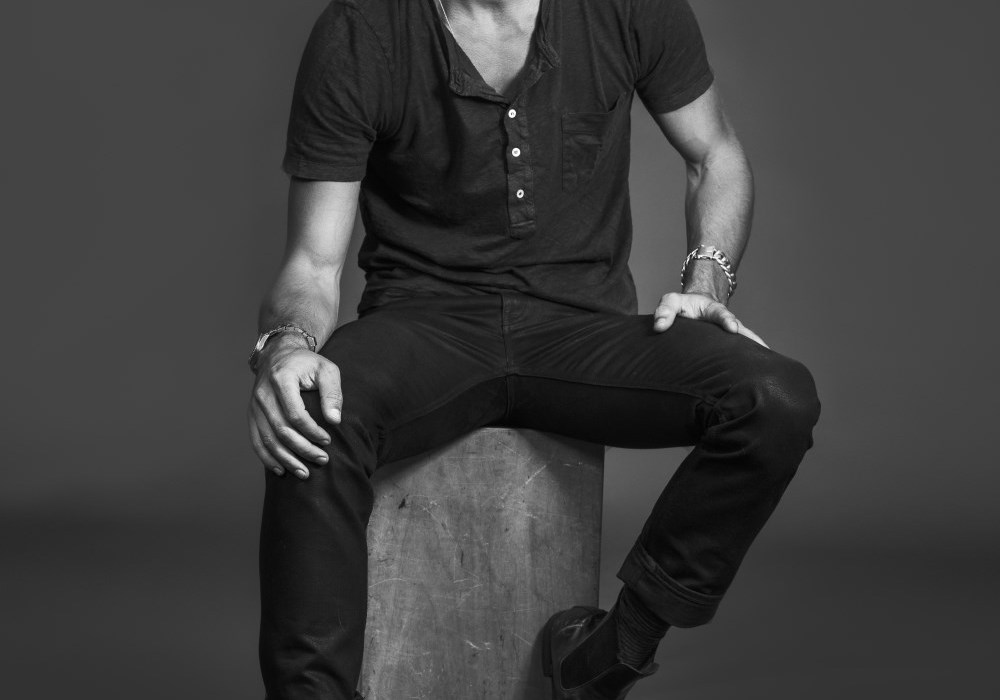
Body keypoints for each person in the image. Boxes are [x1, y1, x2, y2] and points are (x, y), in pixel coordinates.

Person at [246, 0, 821, 697]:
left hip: (583, 330)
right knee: (310, 413)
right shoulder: (362, 30)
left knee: (774, 399)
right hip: (424, 324)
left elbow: (714, 152)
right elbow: (312, 264)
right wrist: (286, 346)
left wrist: (707, 283)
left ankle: (614, 651)